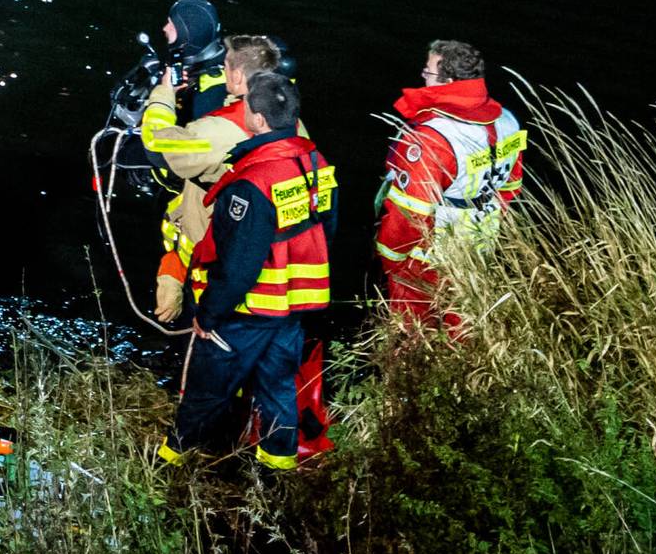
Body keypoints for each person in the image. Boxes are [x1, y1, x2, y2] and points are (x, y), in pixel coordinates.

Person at [161, 72, 337, 471]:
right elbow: (326, 229)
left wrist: (208, 315)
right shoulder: (315, 163)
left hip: (247, 312)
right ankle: (278, 473)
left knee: (207, 393)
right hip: (295, 308)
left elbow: (239, 264)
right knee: (277, 392)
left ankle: (167, 465)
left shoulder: (251, 182)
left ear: (257, 119)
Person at [139, 34, 291, 324]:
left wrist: (163, 95)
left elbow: (157, 144)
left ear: (234, 74)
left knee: (211, 362)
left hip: (225, 291)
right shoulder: (289, 121)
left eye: (224, 66)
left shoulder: (218, 131)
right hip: (281, 282)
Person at [377, 40, 528, 328]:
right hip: (481, 241)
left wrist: (391, 259)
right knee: (465, 321)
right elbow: (511, 185)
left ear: (448, 81)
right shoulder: (508, 120)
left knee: (413, 332)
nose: (423, 75)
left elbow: (410, 213)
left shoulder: (432, 138)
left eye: (429, 71)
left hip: (427, 254)